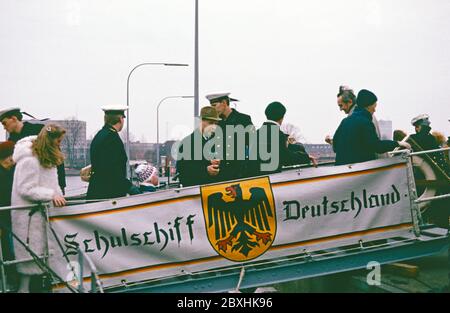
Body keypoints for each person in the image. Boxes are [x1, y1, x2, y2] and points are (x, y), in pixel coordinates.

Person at [10, 124, 67, 293]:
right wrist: (51, 195)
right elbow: (25, 188)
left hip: (39, 214)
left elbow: (52, 183)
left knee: (42, 252)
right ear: (50, 140)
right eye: (58, 140)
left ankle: (37, 286)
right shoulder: (30, 160)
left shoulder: (44, 157)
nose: (59, 144)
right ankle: (24, 289)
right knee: (30, 254)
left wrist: (58, 196)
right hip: (29, 217)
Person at [332, 89, 410, 166]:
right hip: (359, 169)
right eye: (374, 106)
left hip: (341, 169)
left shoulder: (345, 121)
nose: (375, 110)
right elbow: (376, 146)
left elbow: (335, 146)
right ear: (368, 106)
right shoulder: (365, 122)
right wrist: (398, 143)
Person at [0, 107, 66, 194]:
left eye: (4, 123)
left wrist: (61, 186)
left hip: (47, 186)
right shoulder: (11, 141)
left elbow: (57, 157)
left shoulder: (39, 130)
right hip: (29, 190)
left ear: (14, 119)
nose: (4, 127)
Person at [86, 105, 139, 200]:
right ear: (120, 119)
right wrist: (129, 187)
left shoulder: (100, 135)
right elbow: (112, 170)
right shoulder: (112, 138)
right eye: (123, 118)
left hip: (97, 190)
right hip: (108, 194)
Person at [325, 86, 385, 158]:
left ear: (350, 102)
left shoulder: (354, 119)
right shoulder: (363, 115)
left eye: (341, 105)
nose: (340, 109)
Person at [206, 93, 255, 181]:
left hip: (241, 173)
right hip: (221, 174)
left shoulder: (243, 120)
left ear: (224, 103)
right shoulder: (216, 123)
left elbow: (252, 145)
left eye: (214, 106)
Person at [255, 101, 312, 175]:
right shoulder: (279, 134)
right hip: (272, 177)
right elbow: (285, 158)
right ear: (282, 117)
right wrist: (306, 157)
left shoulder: (256, 133)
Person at [176, 106, 222, 187]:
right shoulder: (187, 143)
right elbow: (183, 172)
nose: (214, 127)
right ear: (201, 121)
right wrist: (205, 170)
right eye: (211, 123)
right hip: (195, 193)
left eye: (216, 123)